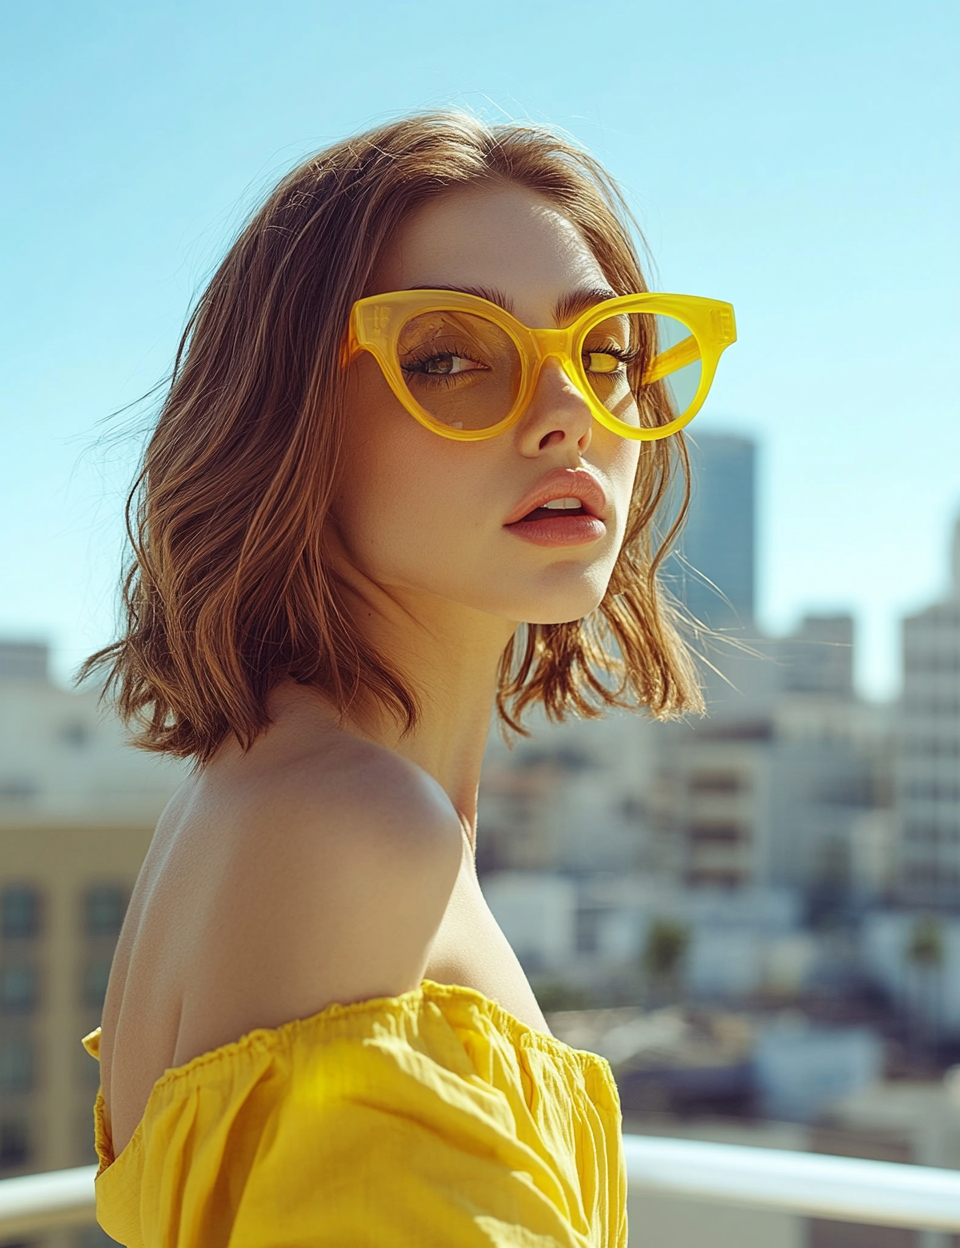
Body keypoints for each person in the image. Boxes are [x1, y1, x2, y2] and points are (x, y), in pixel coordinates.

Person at [79, 111, 736, 1246]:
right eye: (448, 358)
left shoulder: (259, 789)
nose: (567, 412)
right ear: (291, 419)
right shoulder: (358, 832)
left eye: (608, 352)